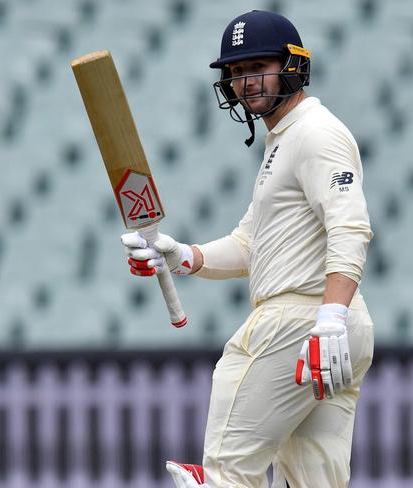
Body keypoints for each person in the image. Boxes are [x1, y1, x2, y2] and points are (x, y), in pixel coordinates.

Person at [122, 10, 374, 488]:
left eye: (257, 66)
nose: (244, 82)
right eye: (235, 72)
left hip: (301, 323)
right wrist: (183, 256)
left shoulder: (315, 134)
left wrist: (329, 318)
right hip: (328, 326)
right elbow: (250, 244)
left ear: (293, 66)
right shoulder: (284, 140)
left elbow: (351, 227)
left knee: (225, 476)